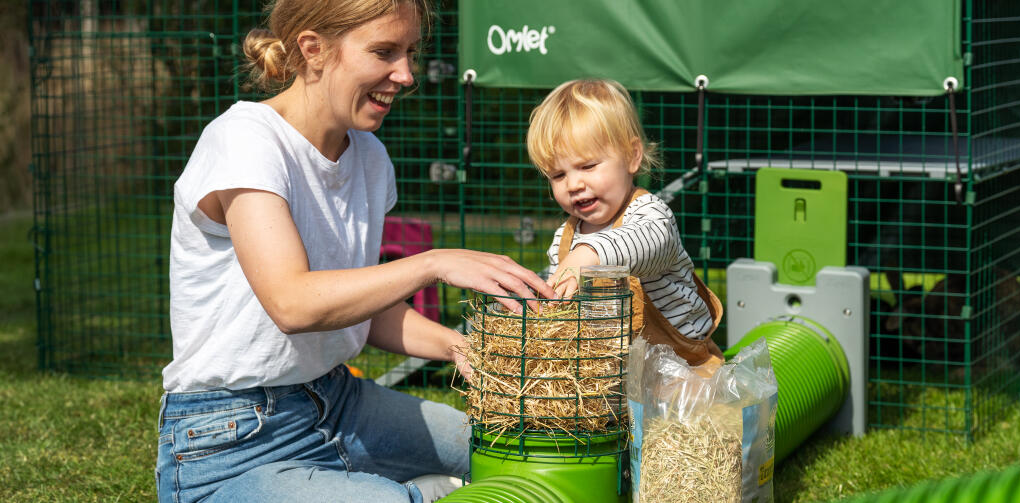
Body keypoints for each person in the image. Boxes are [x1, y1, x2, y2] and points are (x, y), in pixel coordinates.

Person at [155, 1, 554, 502]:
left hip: (338, 401)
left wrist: (459, 348)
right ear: (314, 49)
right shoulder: (244, 140)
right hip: (232, 441)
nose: (406, 75)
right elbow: (294, 304)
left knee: (516, 448)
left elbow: (364, 308)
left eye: (410, 53)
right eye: (384, 52)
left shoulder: (369, 156)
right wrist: (433, 263)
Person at [528, 78, 725, 375]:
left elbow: (647, 243)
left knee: (694, 418)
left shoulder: (650, 215)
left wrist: (588, 255)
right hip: (609, 372)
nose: (574, 184)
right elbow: (561, 287)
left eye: (587, 166)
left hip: (681, 369)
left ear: (632, 156)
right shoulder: (565, 238)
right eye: (558, 175)